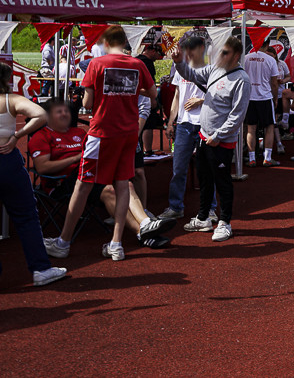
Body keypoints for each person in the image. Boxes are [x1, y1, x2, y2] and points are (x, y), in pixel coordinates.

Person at [43, 26, 155, 262]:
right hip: (128, 132)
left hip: (102, 132)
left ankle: (64, 241)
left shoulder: (97, 63)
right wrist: (129, 90)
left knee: (83, 185)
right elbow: (153, 93)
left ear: (106, 42)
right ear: (124, 41)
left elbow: (87, 102)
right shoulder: (137, 64)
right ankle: (116, 243)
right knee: (122, 185)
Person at [31, 99, 175, 249]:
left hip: (92, 171)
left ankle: (146, 222)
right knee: (110, 191)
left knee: (126, 185)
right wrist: (77, 158)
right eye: (59, 112)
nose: (64, 114)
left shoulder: (79, 132)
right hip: (64, 181)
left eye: (66, 111)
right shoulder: (41, 136)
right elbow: (42, 167)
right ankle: (142, 233)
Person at [171, 36, 250, 241]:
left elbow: (237, 115)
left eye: (225, 53)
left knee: (222, 182)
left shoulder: (241, 80)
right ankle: (203, 217)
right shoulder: (215, 69)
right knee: (204, 179)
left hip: (221, 141)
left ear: (236, 55)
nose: (220, 56)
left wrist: (218, 135)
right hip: (204, 136)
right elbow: (191, 74)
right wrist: (179, 62)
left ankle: (225, 222)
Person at [0, 64, 69, 286]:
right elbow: (41, 114)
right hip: (7, 161)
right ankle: (41, 269)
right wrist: (16, 136)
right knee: (26, 217)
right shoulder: (11, 100)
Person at [160, 37, 210, 220]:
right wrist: (171, 121)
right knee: (179, 168)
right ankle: (175, 207)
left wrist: (201, 100)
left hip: (204, 123)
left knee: (206, 169)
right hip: (184, 124)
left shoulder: (210, 69)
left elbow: (221, 95)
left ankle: (210, 208)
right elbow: (177, 96)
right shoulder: (180, 69)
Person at [244, 43, 280, 167]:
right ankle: (267, 158)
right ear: (267, 44)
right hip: (265, 97)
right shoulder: (270, 60)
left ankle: (252, 159)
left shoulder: (246, 58)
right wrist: (275, 98)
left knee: (251, 129)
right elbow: (274, 83)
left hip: (250, 98)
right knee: (269, 127)